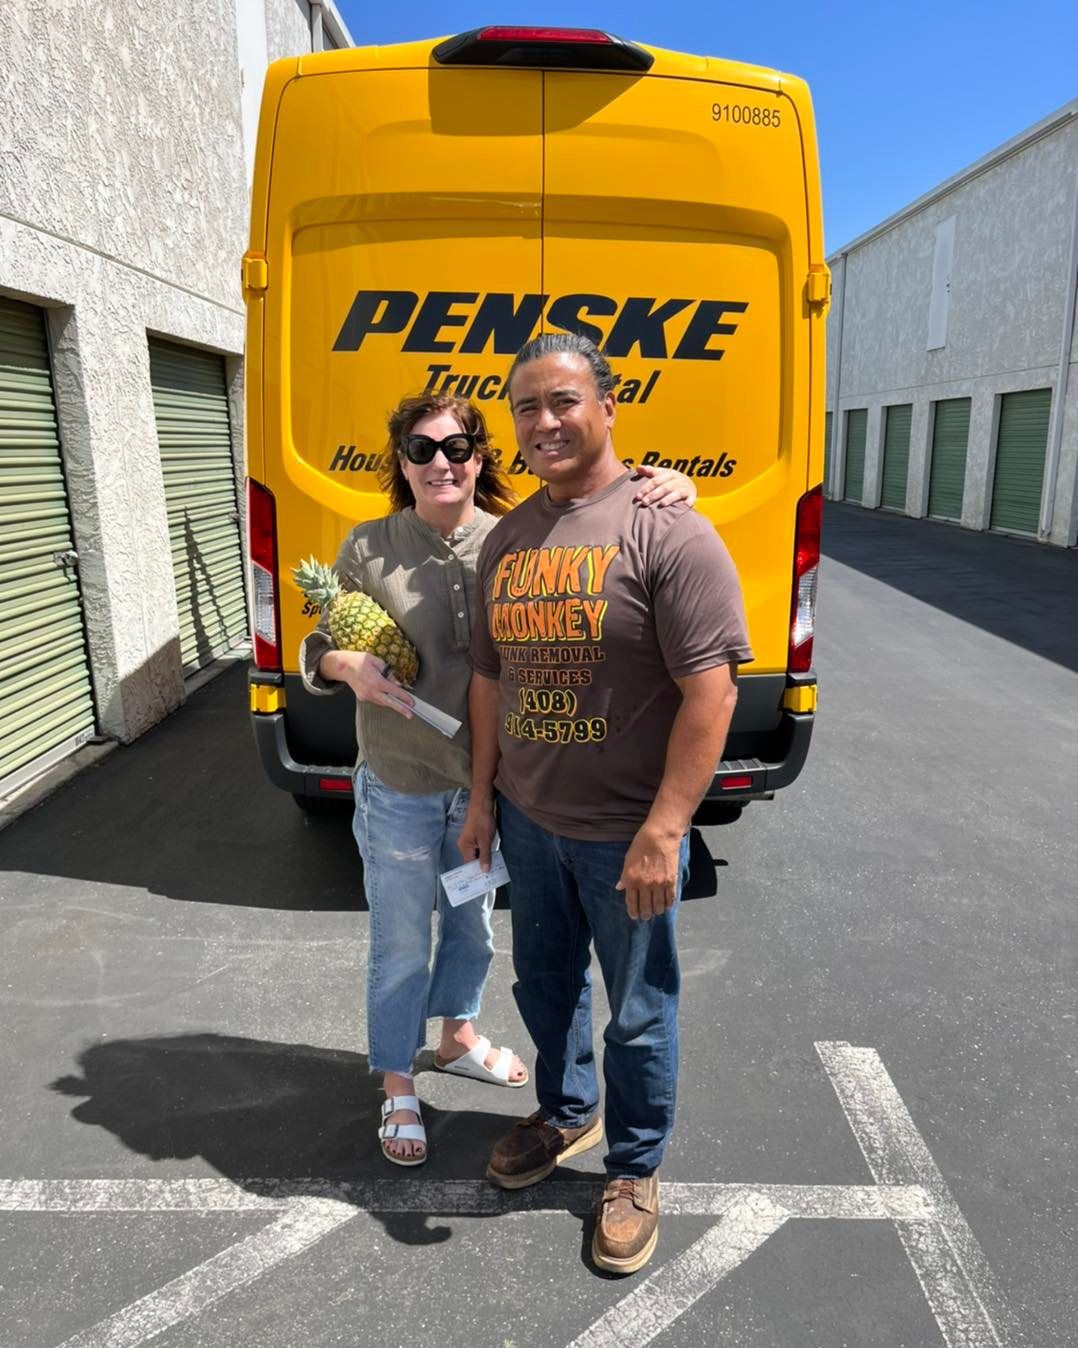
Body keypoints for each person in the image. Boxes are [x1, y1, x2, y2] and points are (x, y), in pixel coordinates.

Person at [299, 388, 697, 1166]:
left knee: (475, 929)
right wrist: (338, 661)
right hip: (404, 782)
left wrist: (679, 484)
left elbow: (603, 507)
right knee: (403, 940)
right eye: (421, 450)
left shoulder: (514, 538)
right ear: (402, 465)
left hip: (493, 788)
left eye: (456, 448)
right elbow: (320, 636)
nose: (440, 463)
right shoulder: (369, 547)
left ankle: (456, 1039)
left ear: (480, 459)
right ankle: (397, 1085)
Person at [459, 333, 753, 1271]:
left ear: (607, 406)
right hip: (531, 826)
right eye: (526, 409)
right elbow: (490, 681)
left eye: (562, 402)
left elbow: (714, 693)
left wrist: (666, 830)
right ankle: (569, 1112)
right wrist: (481, 799)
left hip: (626, 835)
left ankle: (634, 1167)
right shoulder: (507, 539)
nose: (544, 423)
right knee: (545, 990)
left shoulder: (668, 529)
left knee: (636, 1009)